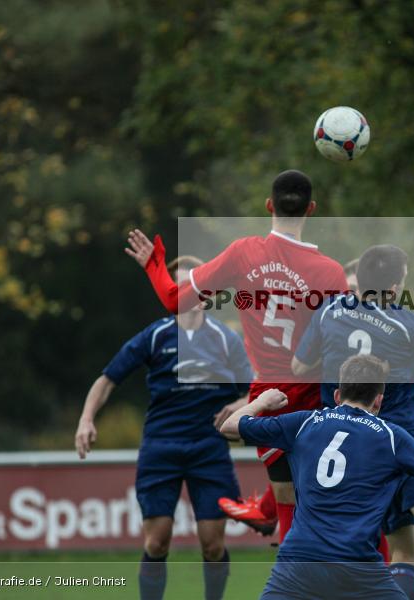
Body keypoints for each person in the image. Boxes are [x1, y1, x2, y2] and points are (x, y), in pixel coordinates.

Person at [124, 170, 348, 543]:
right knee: (332, 501)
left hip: (271, 397)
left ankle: (278, 538)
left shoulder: (245, 253)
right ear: (311, 209)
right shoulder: (330, 272)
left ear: (268, 206)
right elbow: (337, 347)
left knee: (290, 503)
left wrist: (154, 265)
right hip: (319, 395)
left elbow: (172, 300)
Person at [219, 355, 414, 600]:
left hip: (298, 562)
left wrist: (263, 401)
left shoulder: (303, 422)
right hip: (358, 567)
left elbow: (230, 426)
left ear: (337, 395)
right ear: (379, 401)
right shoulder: (392, 437)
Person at [291, 244, 414, 600]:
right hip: (402, 440)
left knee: (404, 551)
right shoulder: (402, 322)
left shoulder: (327, 313)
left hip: (356, 448)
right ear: (393, 288)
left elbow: (298, 367)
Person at [74, 256, 252, 600]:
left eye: (195, 284)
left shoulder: (226, 339)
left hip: (209, 449)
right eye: (179, 285)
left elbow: (253, 391)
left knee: (213, 545)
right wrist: (86, 419)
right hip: (161, 448)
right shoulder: (154, 337)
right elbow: (107, 379)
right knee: (157, 541)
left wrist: (241, 405)